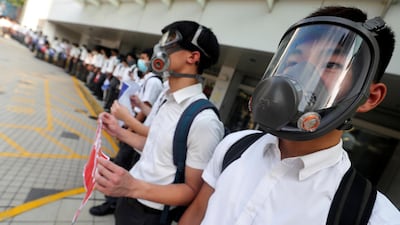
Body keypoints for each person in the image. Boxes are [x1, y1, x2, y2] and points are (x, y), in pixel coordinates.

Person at [179, 6, 400, 225]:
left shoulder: (371, 216)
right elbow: (198, 212)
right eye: (293, 62)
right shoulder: (235, 145)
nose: (301, 75)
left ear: (370, 97)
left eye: (332, 65)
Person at [94, 20, 225, 225]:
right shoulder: (167, 97)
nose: (161, 50)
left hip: (150, 214)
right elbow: (154, 146)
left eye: (171, 45)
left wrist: (132, 186)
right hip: (129, 199)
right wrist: (119, 132)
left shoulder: (204, 121)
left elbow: (192, 191)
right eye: (162, 43)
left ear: (193, 57)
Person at [90, 48, 164, 216]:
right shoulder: (152, 81)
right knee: (123, 163)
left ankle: (111, 203)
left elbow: (147, 111)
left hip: (139, 134)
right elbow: (146, 107)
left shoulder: (155, 82)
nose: (141, 61)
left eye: (144, 58)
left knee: (122, 166)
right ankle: (113, 202)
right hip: (137, 132)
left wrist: (129, 126)